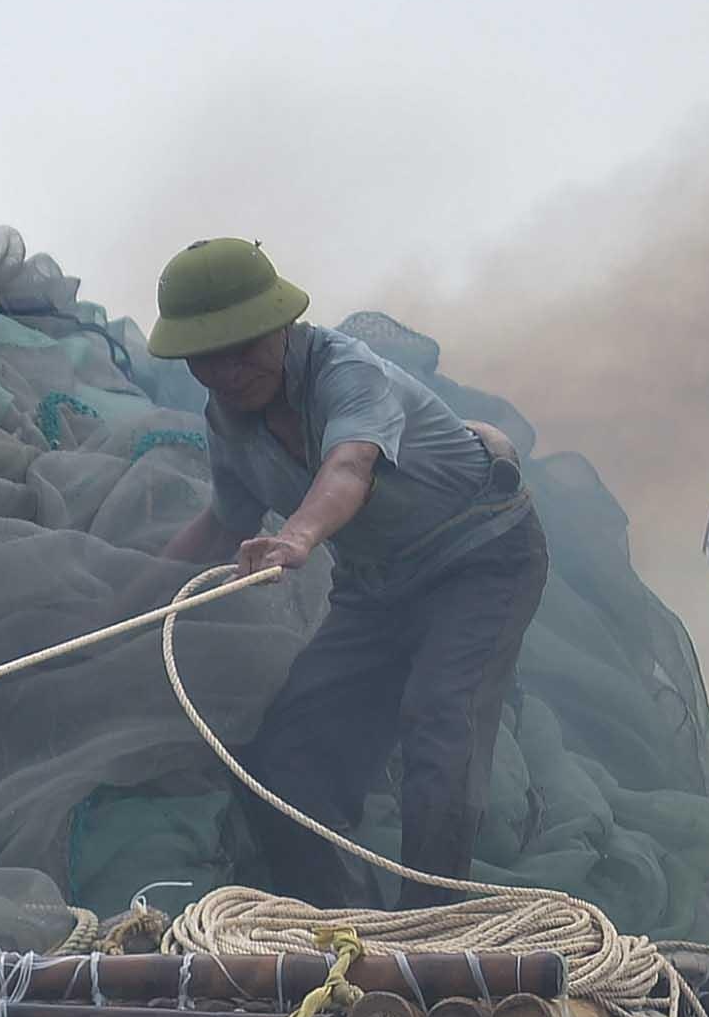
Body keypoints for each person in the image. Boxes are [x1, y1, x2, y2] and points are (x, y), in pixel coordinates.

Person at [141, 234, 550, 906]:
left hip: (480, 563)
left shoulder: (346, 371)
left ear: (281, 325)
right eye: (206, 359)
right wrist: (132, 600)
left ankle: (433, 935)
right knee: (288, 757)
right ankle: (346, 935)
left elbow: (350, 464)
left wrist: (297, 536)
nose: (230, 370)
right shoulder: (228, 420)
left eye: (243, 346)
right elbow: (222, 523)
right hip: (375, 591)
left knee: (440, 728)